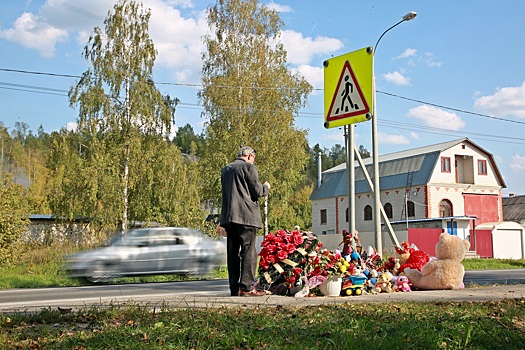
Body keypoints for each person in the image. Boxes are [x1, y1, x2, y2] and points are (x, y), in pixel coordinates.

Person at [220, 146, 271, 297]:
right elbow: (258, 191)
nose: (253, 161)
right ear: (249, 156)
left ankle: (234, 288)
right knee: (248, 251)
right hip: (246, 216)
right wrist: (266, 187)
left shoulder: (226, 170)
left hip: (229, 217)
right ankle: (247, 287)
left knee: (233, 253)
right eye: (254, 158)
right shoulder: (249, 167)